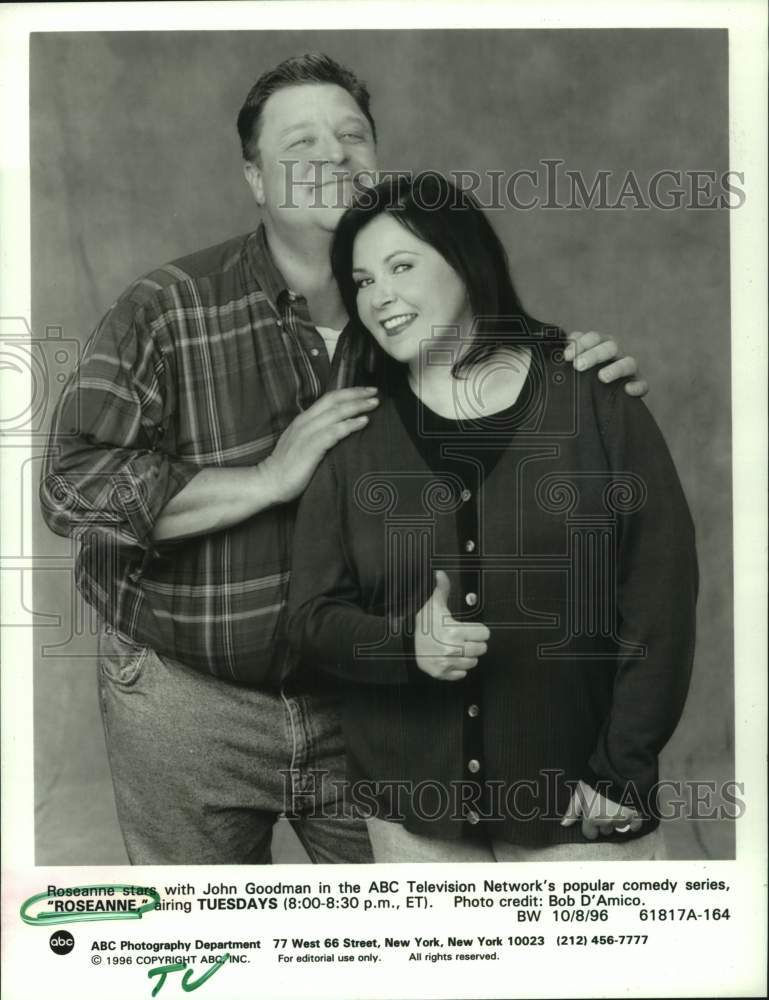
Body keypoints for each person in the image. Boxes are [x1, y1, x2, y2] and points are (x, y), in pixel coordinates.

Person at [40, 54, 648, 866]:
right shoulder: (169, 309)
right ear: (255, 178)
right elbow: (70, 486)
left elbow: (529, 404)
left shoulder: (424, 315)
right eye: (299, 142)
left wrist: (581, 371)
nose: (331, 155)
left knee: (395, 956)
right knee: (201, 954)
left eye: (350, 135)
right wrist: (262, 479)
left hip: (382, 708)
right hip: (191, 705)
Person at [288, 173, 698, 862]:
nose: (379, 295)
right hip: (411, 822)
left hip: (578, 807)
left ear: (466, 262)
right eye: (361, 281)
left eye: (401, 266)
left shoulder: (591, 402)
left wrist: (622, 769)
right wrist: (404, 647)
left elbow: (658, 593)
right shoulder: (353, 439)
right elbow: (310, 624)